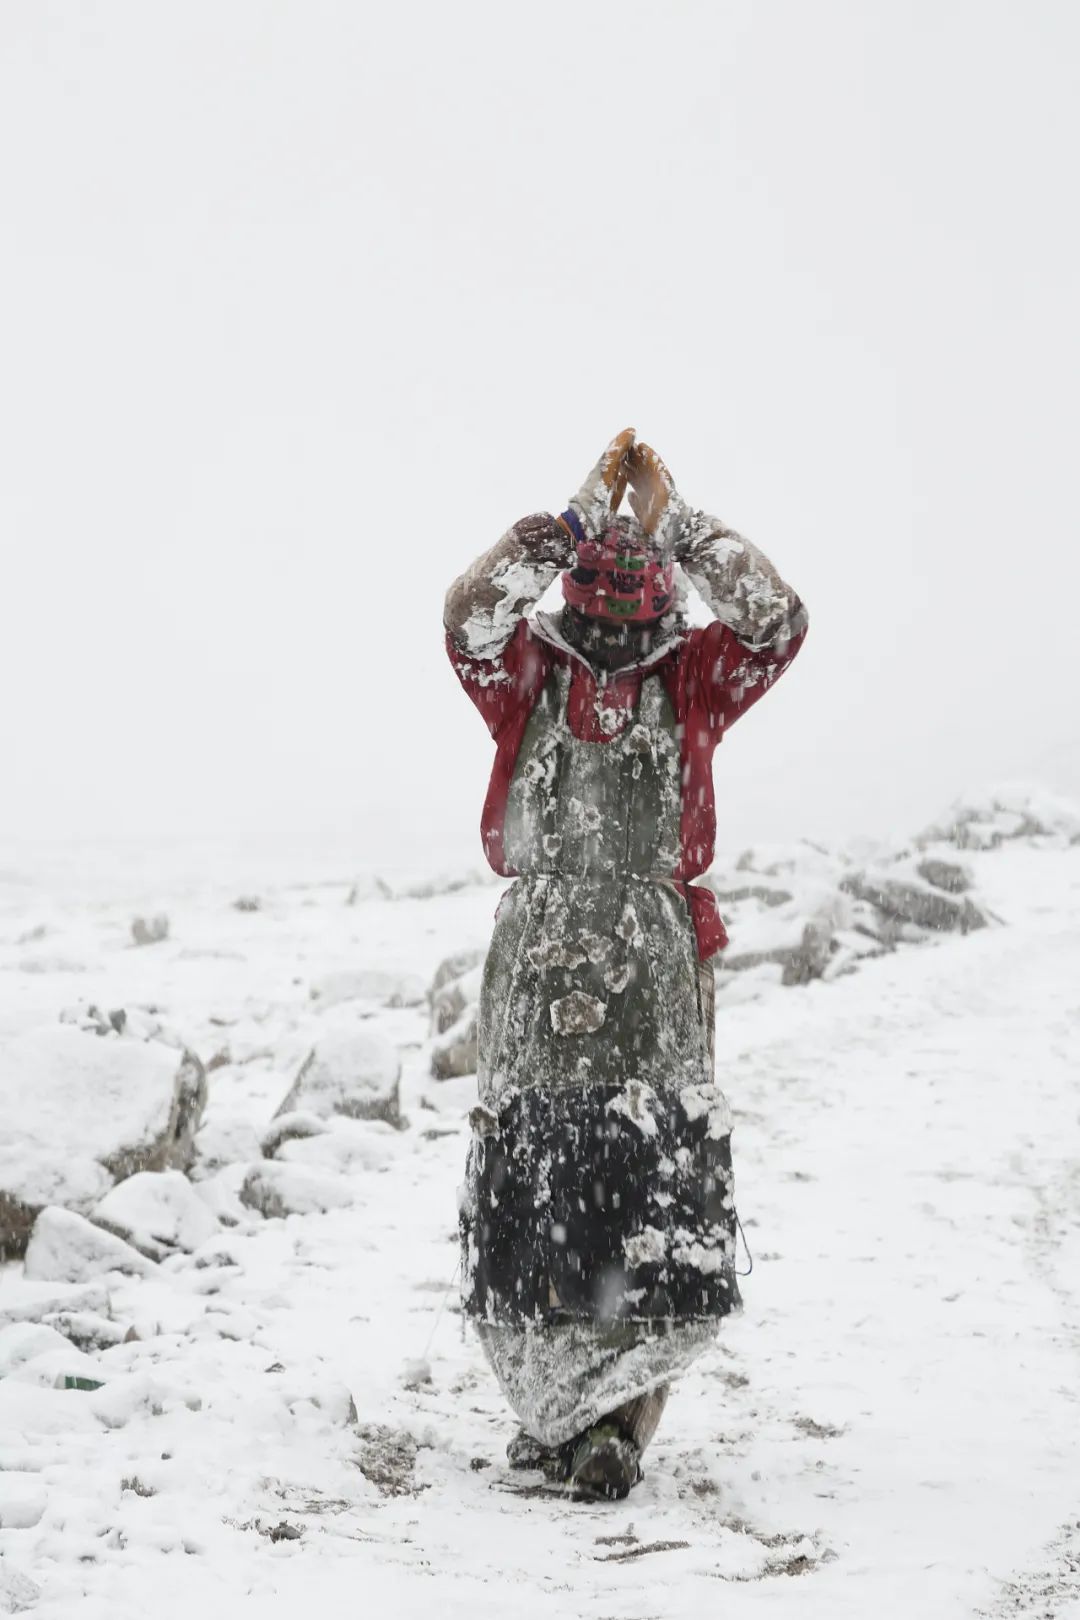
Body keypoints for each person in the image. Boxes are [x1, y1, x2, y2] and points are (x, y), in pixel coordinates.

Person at [444, 430, 808, 1499]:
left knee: (639, 1179)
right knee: (537, 1177)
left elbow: (775, 621)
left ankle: (618, 1428)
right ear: (570, 594)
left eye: (627, 585)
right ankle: (554, 1417)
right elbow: (468, 613)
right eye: (590, 586)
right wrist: (565, 519)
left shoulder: (693, 677)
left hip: (649, 958)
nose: (608, 618)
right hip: (544, 951)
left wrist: (680, 519)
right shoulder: (526, 673)